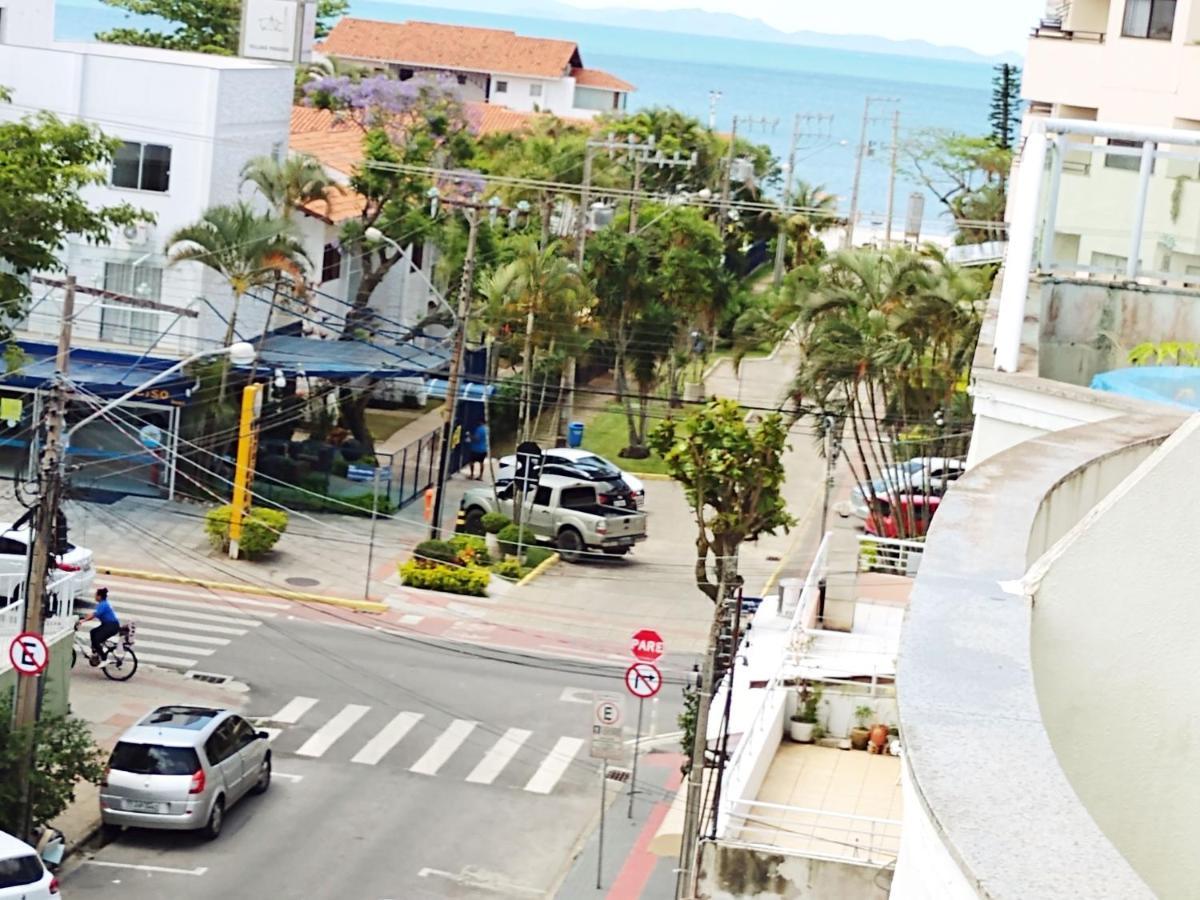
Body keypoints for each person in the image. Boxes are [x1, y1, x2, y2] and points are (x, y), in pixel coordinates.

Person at [80, 587, 120, 666]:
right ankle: (95, 652)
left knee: (97, 640)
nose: (94, 596)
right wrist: (82, 617)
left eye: (95, 595)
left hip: (111, 626)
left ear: (99, 596)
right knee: (93, 632)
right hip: (107, 625)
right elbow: (92, 614)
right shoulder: (102, 604)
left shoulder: (103, 605)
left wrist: (83, 621)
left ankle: (104, 659)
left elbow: (94, 615)